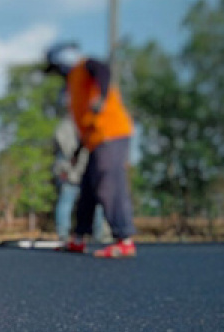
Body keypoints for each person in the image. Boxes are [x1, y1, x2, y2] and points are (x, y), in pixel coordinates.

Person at [45, 42, 137, 258]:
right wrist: (78, 152)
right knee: (88, 188)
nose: (58, 74)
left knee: (108, 183)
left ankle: (124, 239)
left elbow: (103, 70)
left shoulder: (85, 66)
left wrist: (101, 99)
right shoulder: (73, 83)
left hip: (111, 134)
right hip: (95, 140)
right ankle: (79, 238)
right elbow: (85, 123)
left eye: (57, 68)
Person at [51, 116, 109, 243]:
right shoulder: (65, 126)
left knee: (97, 203)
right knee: (66, 201)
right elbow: (65, 149)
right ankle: (63, 234)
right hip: (70, 172)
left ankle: (100, 235)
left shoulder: (88, 124)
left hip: (87, 172)